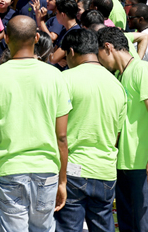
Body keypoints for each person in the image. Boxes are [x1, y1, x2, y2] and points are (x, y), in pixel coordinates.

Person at [0, 15, 68, 231]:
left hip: (8, 170)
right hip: (46, 170)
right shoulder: (55, 76)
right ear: (37, 37)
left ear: (6, 38)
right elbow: (62, 137)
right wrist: (63, 181)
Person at [96, 26, 148, 232]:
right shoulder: (121, 76)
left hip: (146, 165)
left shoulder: (142, 70)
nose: (100, 62)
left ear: (108, 48)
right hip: (124, 165)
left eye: (99, 56)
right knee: (128, 226)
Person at [55, 28, 126, 232]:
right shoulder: (116, 84)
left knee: (68, 227)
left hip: (72, 170)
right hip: (105, 171)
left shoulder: (65, 79)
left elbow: (57, 132)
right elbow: (116, 136)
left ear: (71, 51)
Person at [50, 0, 81, 69]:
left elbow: (53, 58)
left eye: (57, 13)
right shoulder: (64, 30)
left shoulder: (74, 33)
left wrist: (55, 58)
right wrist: (57, 59)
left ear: (63, 15)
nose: (56, 16)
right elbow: (54, 51)